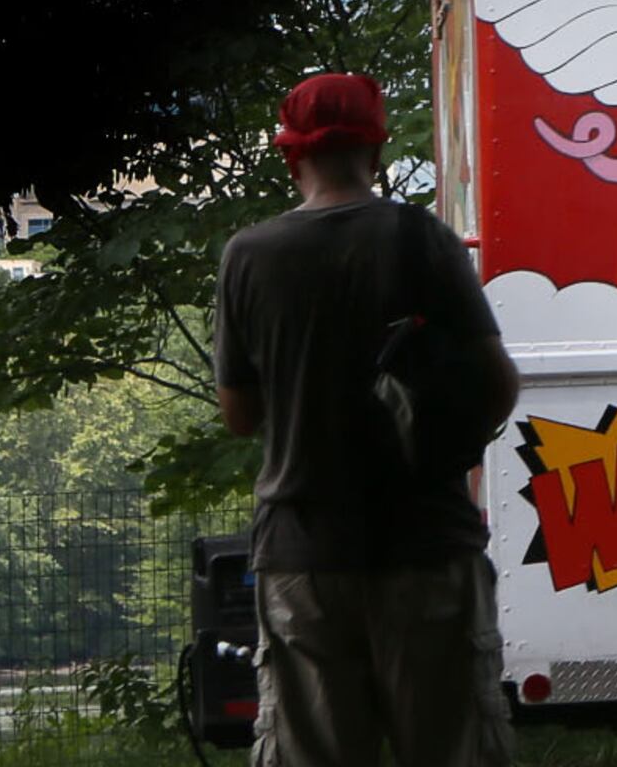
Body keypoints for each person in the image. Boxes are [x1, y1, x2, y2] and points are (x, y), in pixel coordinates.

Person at [211, 69, 518, 767]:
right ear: (375, 151)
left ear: (293, 156)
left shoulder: (249, 256)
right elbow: (499, 385)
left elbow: (239, 414)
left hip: (304, 555)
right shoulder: (422, 239)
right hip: (427, 546)